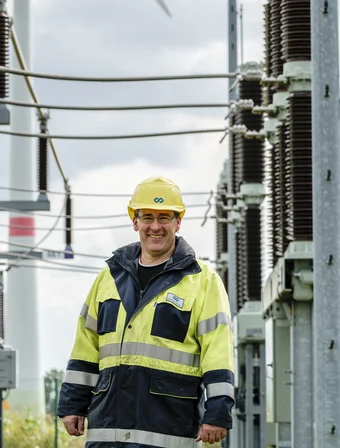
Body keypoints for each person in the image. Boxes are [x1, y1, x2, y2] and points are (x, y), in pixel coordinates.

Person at [58, 176, 234, 447]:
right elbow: (86, 344)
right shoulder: (109, 277)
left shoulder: (204, 281)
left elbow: (218, 352)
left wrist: (218, 411)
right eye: (147, 216)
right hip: (109, 431)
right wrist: (72, 402)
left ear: (178, 222)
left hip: (167, 430)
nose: (155, 226)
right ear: (134, 221)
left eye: (164, 217)